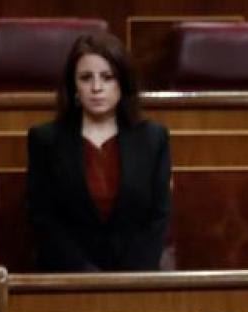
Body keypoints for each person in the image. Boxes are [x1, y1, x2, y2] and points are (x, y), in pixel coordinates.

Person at [26, 33, 171, 272]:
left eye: (107, 77)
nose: (96, 88)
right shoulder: (46, 140)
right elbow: (43, 219)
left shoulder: (153, 139)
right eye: (86, 78)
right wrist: (86, 275)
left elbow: (158, 218)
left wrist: (128, 278)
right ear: (73, 86)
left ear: (122, 83)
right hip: (67, 278)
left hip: (137, 279)